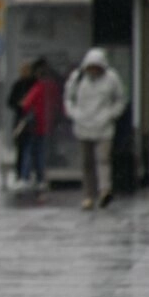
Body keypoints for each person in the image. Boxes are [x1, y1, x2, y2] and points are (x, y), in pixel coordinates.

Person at [63, 47, 126, 210]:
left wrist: (111, 114)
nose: (93, 70)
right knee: (87, 163)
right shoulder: (77, 78)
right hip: (83, 125)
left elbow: (120, 99)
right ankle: (88, 196)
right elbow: (68, 98)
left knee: (103, 159)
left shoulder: (111, 79)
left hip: (104, 126)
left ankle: (104, 190)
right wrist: (74, 114)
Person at [17, 57, 62, 193]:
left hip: (35, 125)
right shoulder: (53, 87)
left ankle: (25, 177)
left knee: (29, 151)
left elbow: (25, 104)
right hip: (48, 124)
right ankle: (41, 179)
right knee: (41, 152)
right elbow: (58, 104)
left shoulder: (38, 87)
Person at [6, 60, 37, 186]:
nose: (25, 73)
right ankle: (20, 174)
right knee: (21, 149)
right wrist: (20, 104)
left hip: (32, 120)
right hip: (20, 121)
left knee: (29, 148)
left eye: (27, 70)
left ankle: (27, 174)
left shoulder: (33, 84)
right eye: (23, 70)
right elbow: (10, 102)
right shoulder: (18, 85)